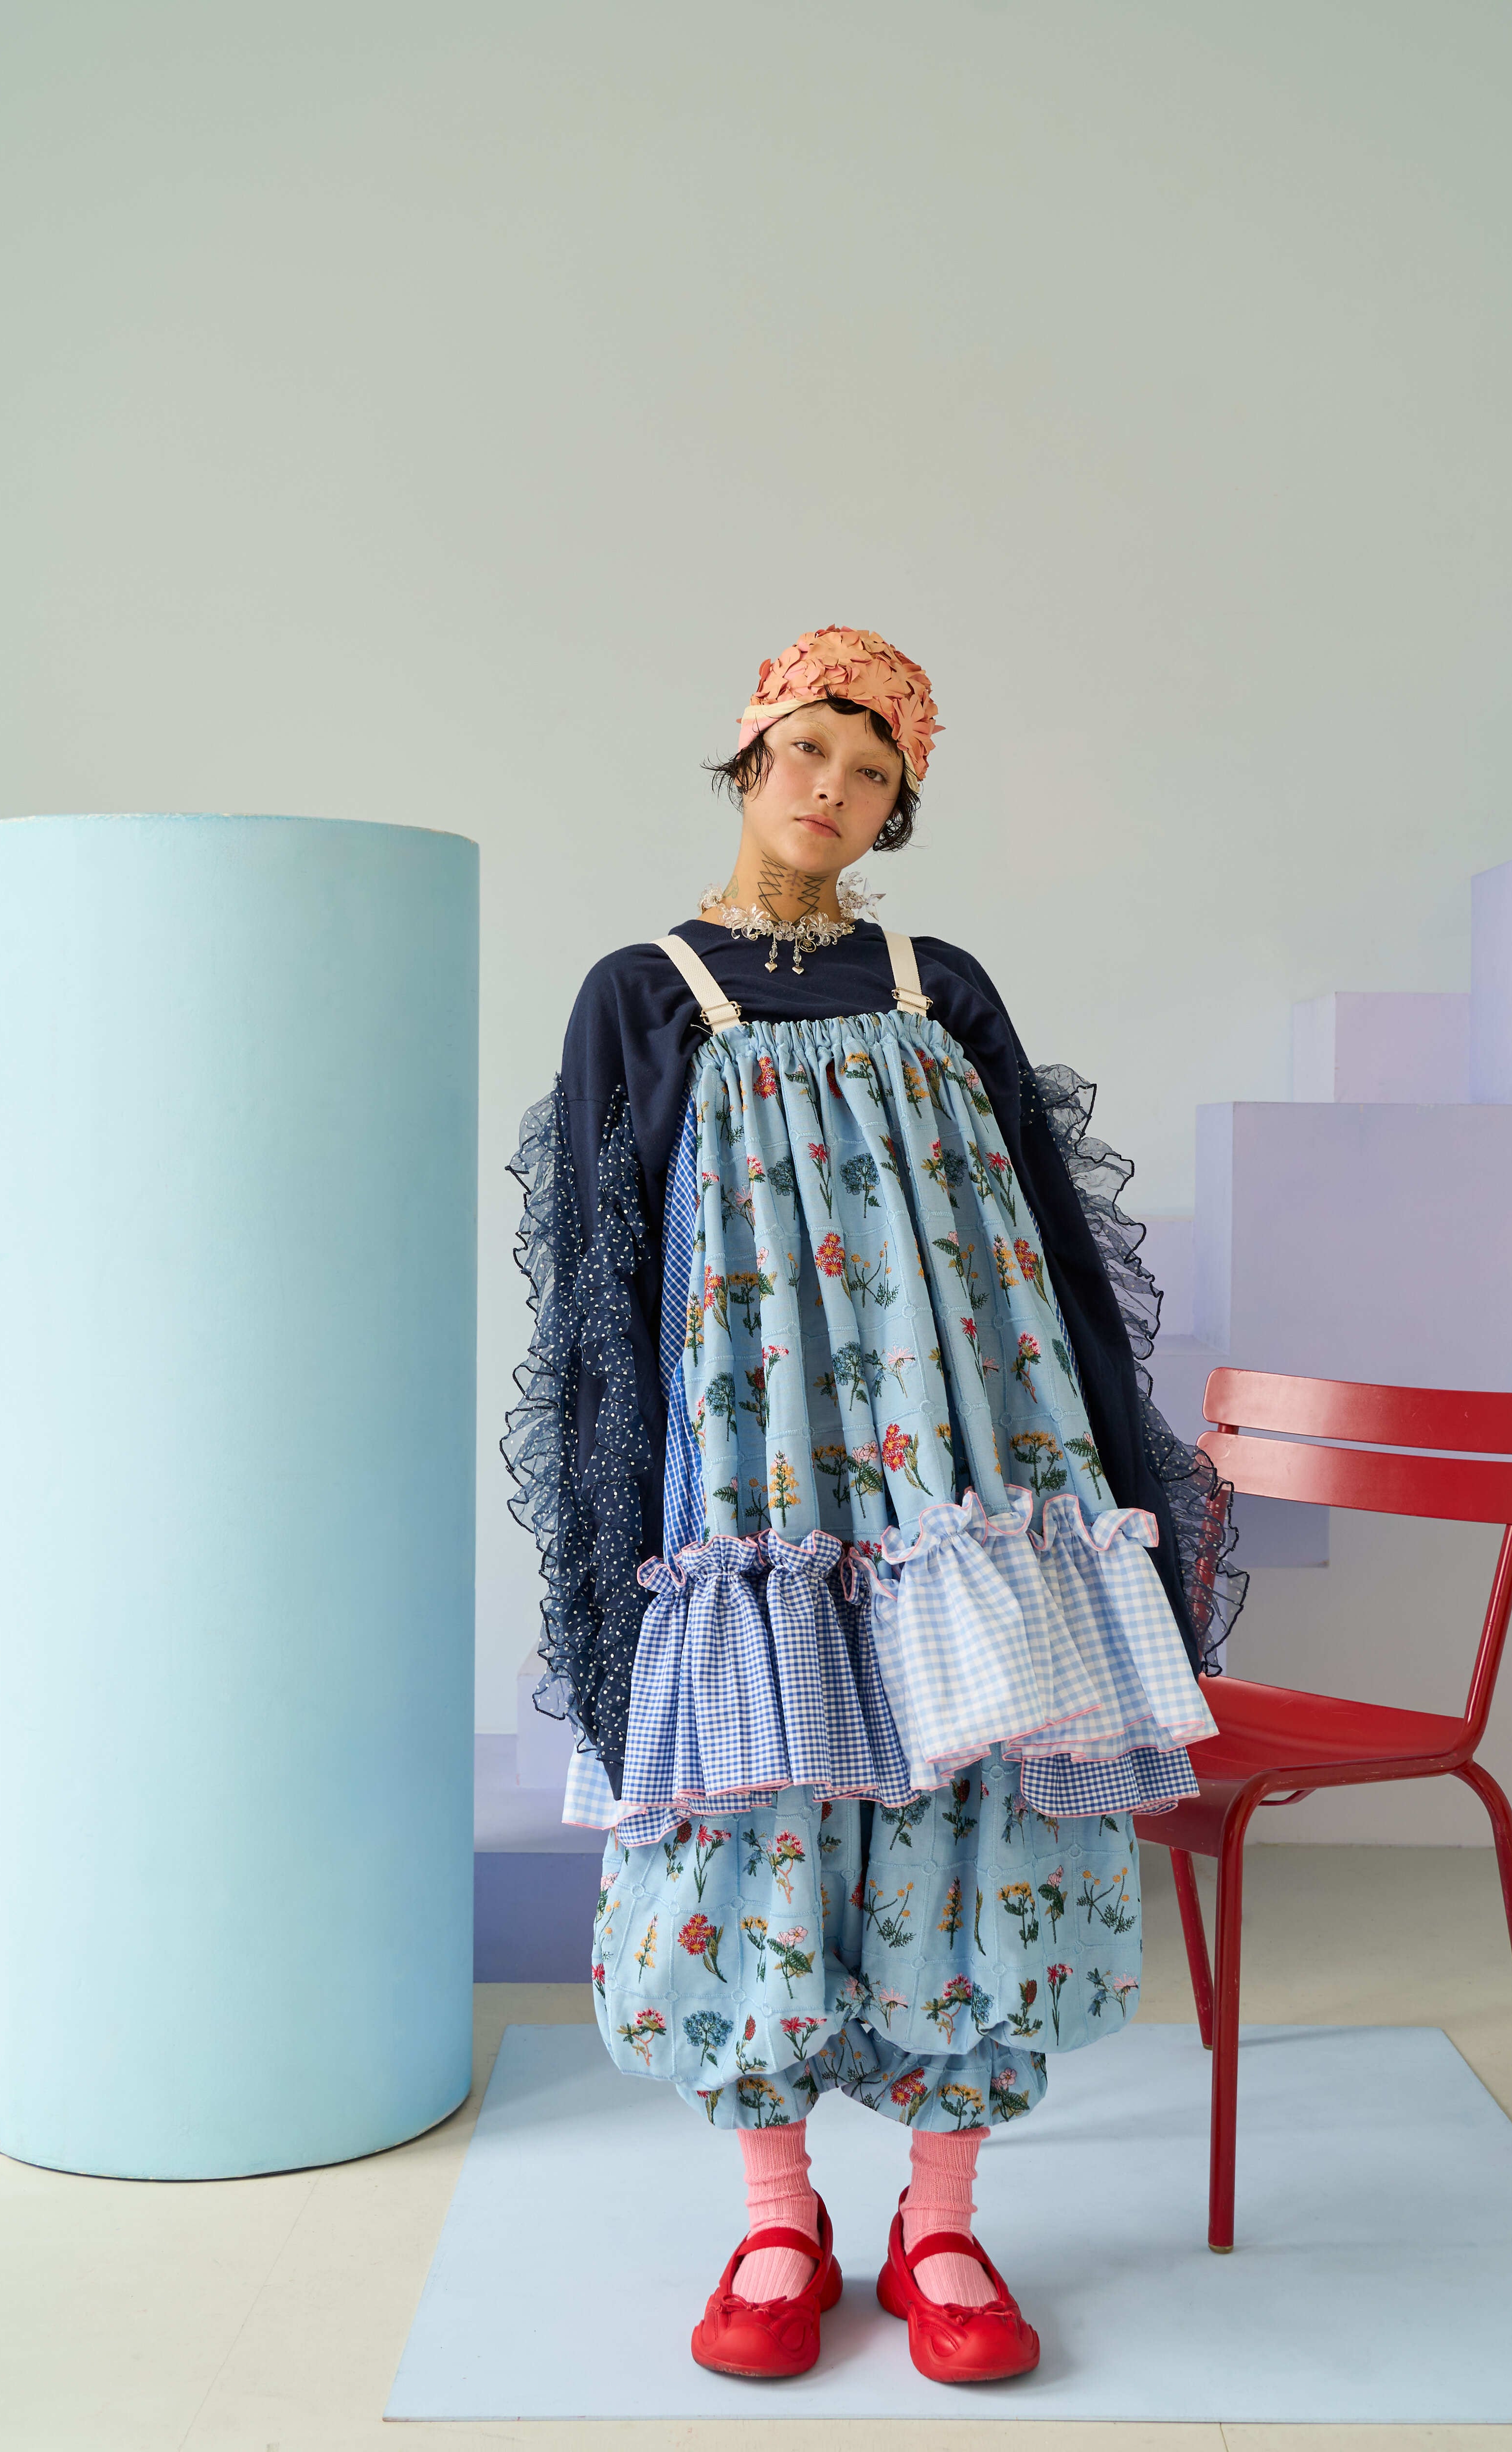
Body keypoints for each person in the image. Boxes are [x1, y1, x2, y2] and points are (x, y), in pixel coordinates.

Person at [504, 626, 1244, 2385]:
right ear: (750, 750)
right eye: (807, 750)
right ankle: (779, 2217)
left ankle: (944, 2223)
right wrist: (614, 1526)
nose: (830, 790)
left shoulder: (939, 984)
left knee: (968, 1781)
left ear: (897, 806)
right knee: (752, 1801)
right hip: (751, 1485)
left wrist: (1109, 1475)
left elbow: (1050, 1239)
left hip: (962, 1474)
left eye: (872, 772)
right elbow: (597, 1281)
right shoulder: (641, 992)